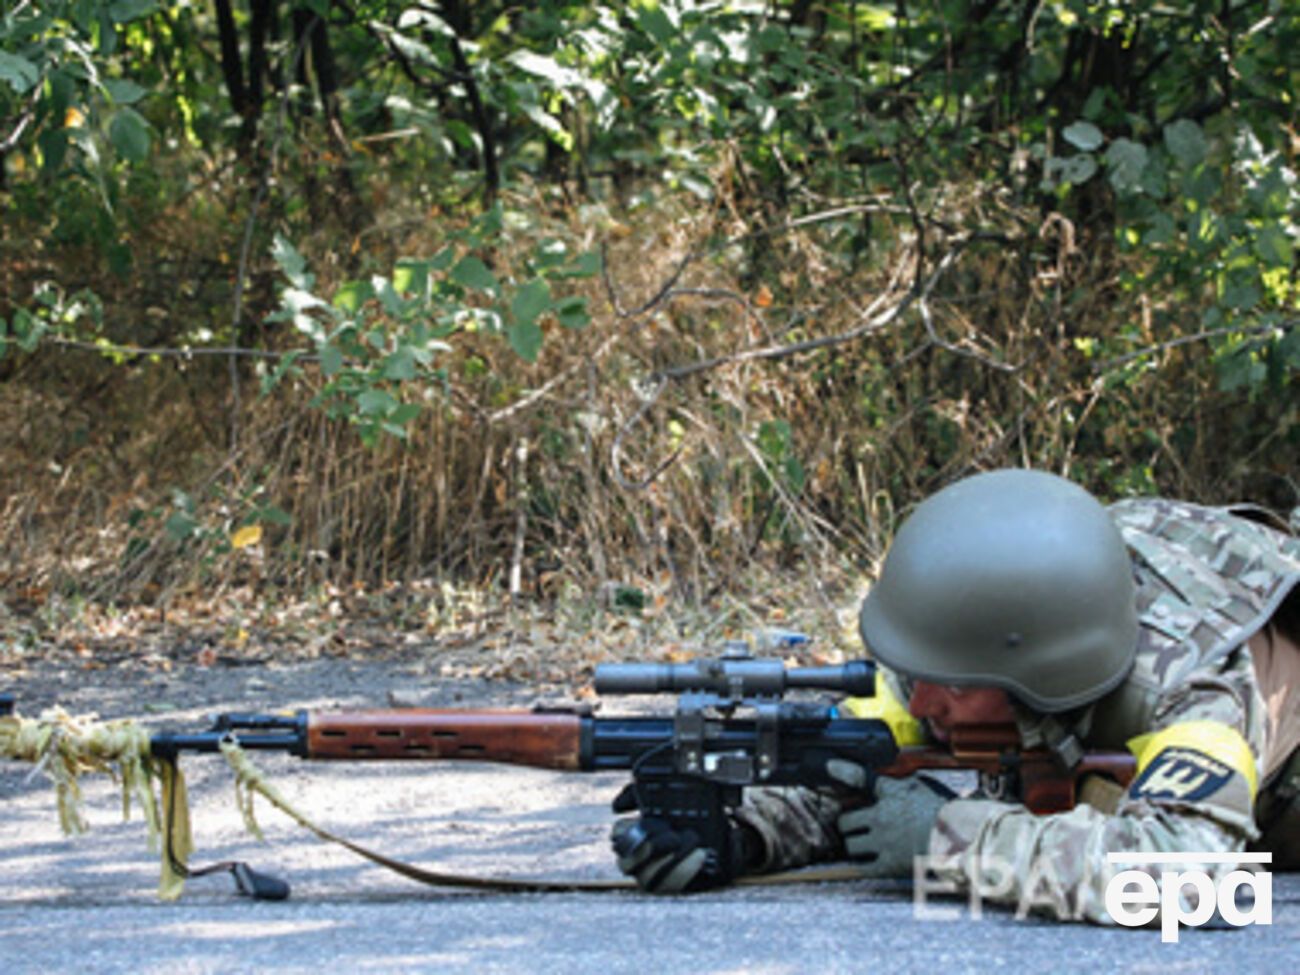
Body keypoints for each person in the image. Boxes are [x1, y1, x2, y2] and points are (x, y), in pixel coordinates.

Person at [611, 469, 1300, 922]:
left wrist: (954, 842)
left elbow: (1186, 878)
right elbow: (850, 770)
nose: (918, 702)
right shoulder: (970, 636)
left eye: (954, 685)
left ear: (1037, 679)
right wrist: (738, 832)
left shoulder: (1191, 685)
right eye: (914, 670)